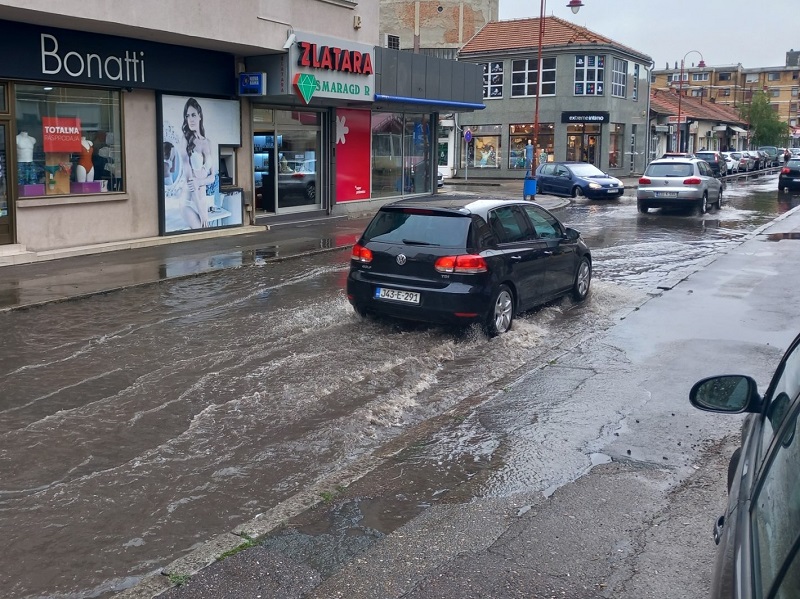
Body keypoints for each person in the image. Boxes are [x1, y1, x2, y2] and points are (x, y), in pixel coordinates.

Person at [180, 97, 217, 228]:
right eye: (187, 116)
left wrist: (200, 182)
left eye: (193, 115)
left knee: (206, 234)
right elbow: (190, 182)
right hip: (189, 201)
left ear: (200, 116)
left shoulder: (208, 143)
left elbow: (213, 177)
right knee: (200, 231)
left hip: (202, 200)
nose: (190, 119)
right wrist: (202, 212)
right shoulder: (185, 140)